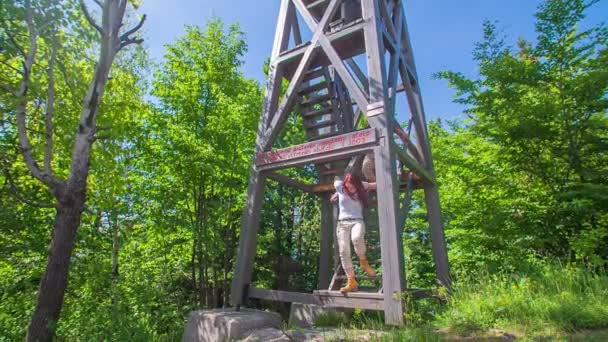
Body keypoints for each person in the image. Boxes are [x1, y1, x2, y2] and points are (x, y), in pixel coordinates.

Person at [330, 172, 377, 293]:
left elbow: (375, 185)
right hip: (342, 223)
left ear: (357, 184)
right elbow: (336, 178)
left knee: (356, 238)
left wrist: (393, 177)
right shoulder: (340, 187)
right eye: (348, 186)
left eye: (353, 186)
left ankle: (363, 262)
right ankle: (351, 281)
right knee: (343, 251)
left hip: (357, 221)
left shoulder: (362, 186)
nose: (350, 188)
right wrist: (337, 193)